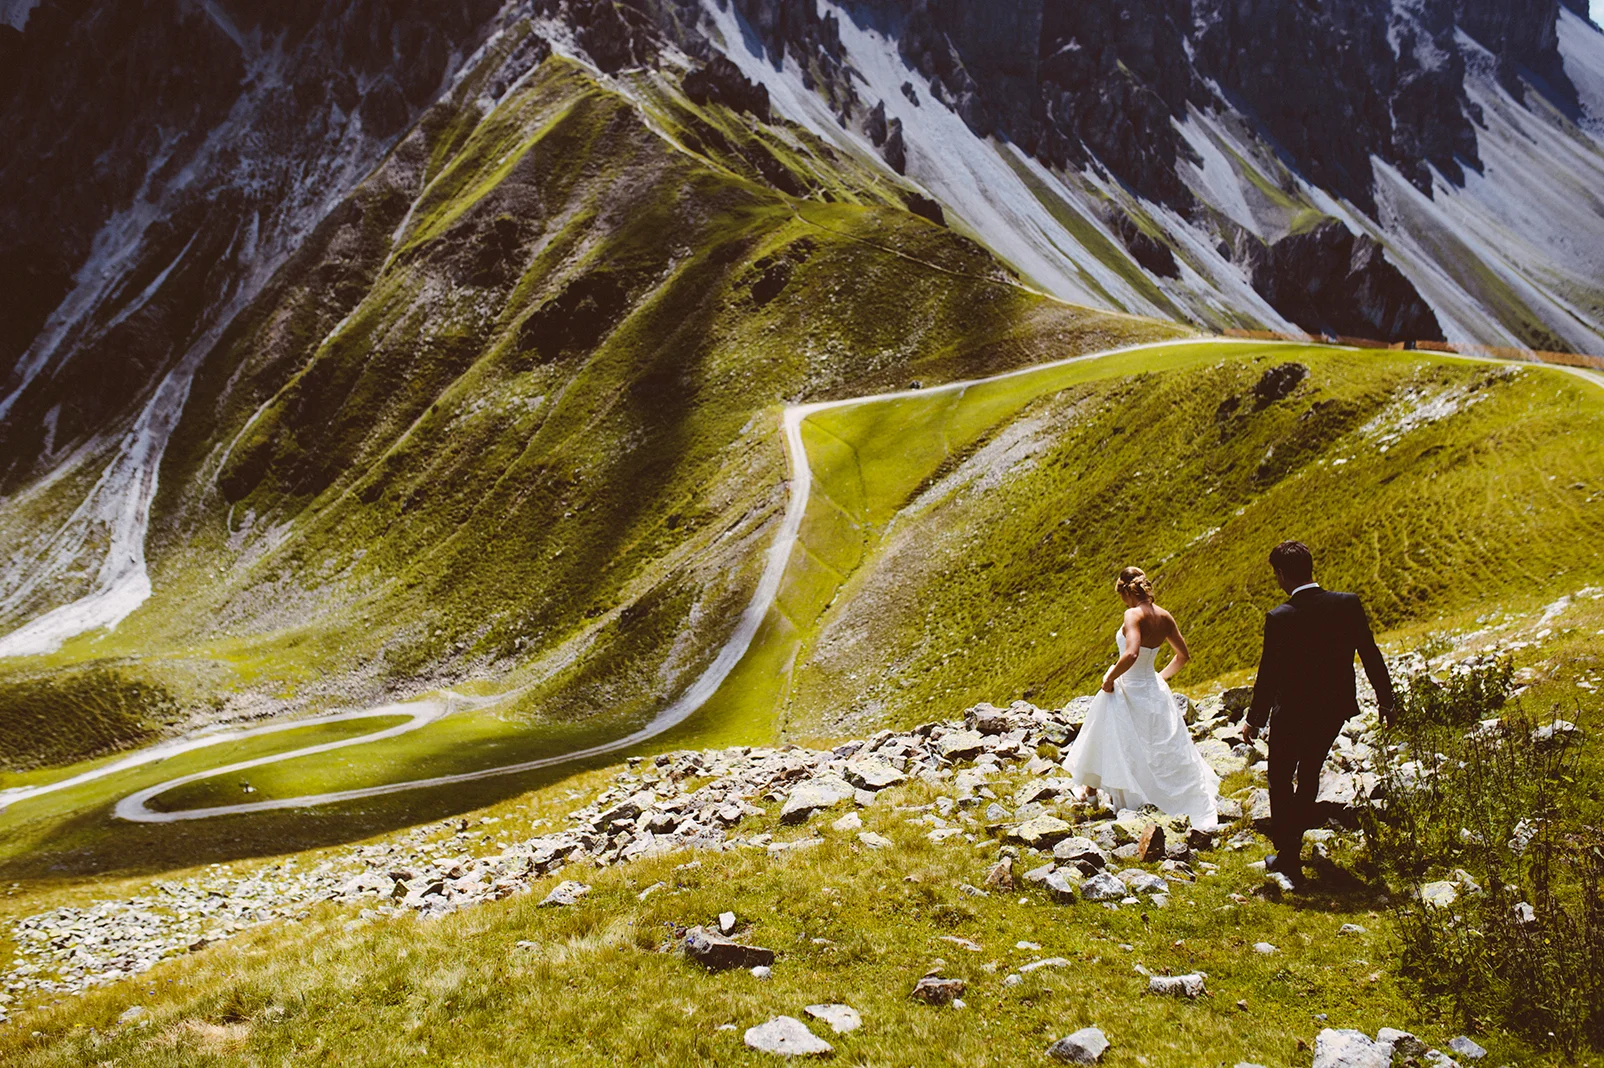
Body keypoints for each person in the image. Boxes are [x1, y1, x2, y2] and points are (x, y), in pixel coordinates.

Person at [1244, 541, 1394, 886]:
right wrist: (1386, 700)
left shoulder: (1280, 617)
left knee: (1280, 777)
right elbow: (1370, 653)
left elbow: (1268, 675)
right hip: (1333, 709)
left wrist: (1254, 719)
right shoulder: (1347, 604)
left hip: (1291, 712)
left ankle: (1288, 854)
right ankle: (1290, 850)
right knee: (1309, 772)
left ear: (1281, 575)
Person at [1064, 567, 1219, 830]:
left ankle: (1092, 792)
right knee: (1154, 744)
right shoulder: (1165, 616)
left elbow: (1132, 653)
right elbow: (1183, 656)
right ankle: (1092, 791)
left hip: (1129, 686)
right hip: (1153, 688)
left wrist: (1111, 678)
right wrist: (1159, 677)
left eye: (1121, 597)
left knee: (1108, 734)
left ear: (1127, 592)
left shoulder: (1133, 614)